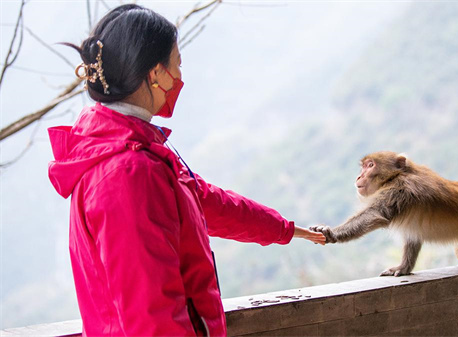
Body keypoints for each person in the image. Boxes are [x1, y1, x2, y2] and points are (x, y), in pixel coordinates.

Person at [47, 4, 325, 336]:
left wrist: (283, 230)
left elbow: (205, 201)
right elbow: (152, 316)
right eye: (176, 65)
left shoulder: (130, 147)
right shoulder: (128, 173)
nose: (180, 76)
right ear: (155, 74)